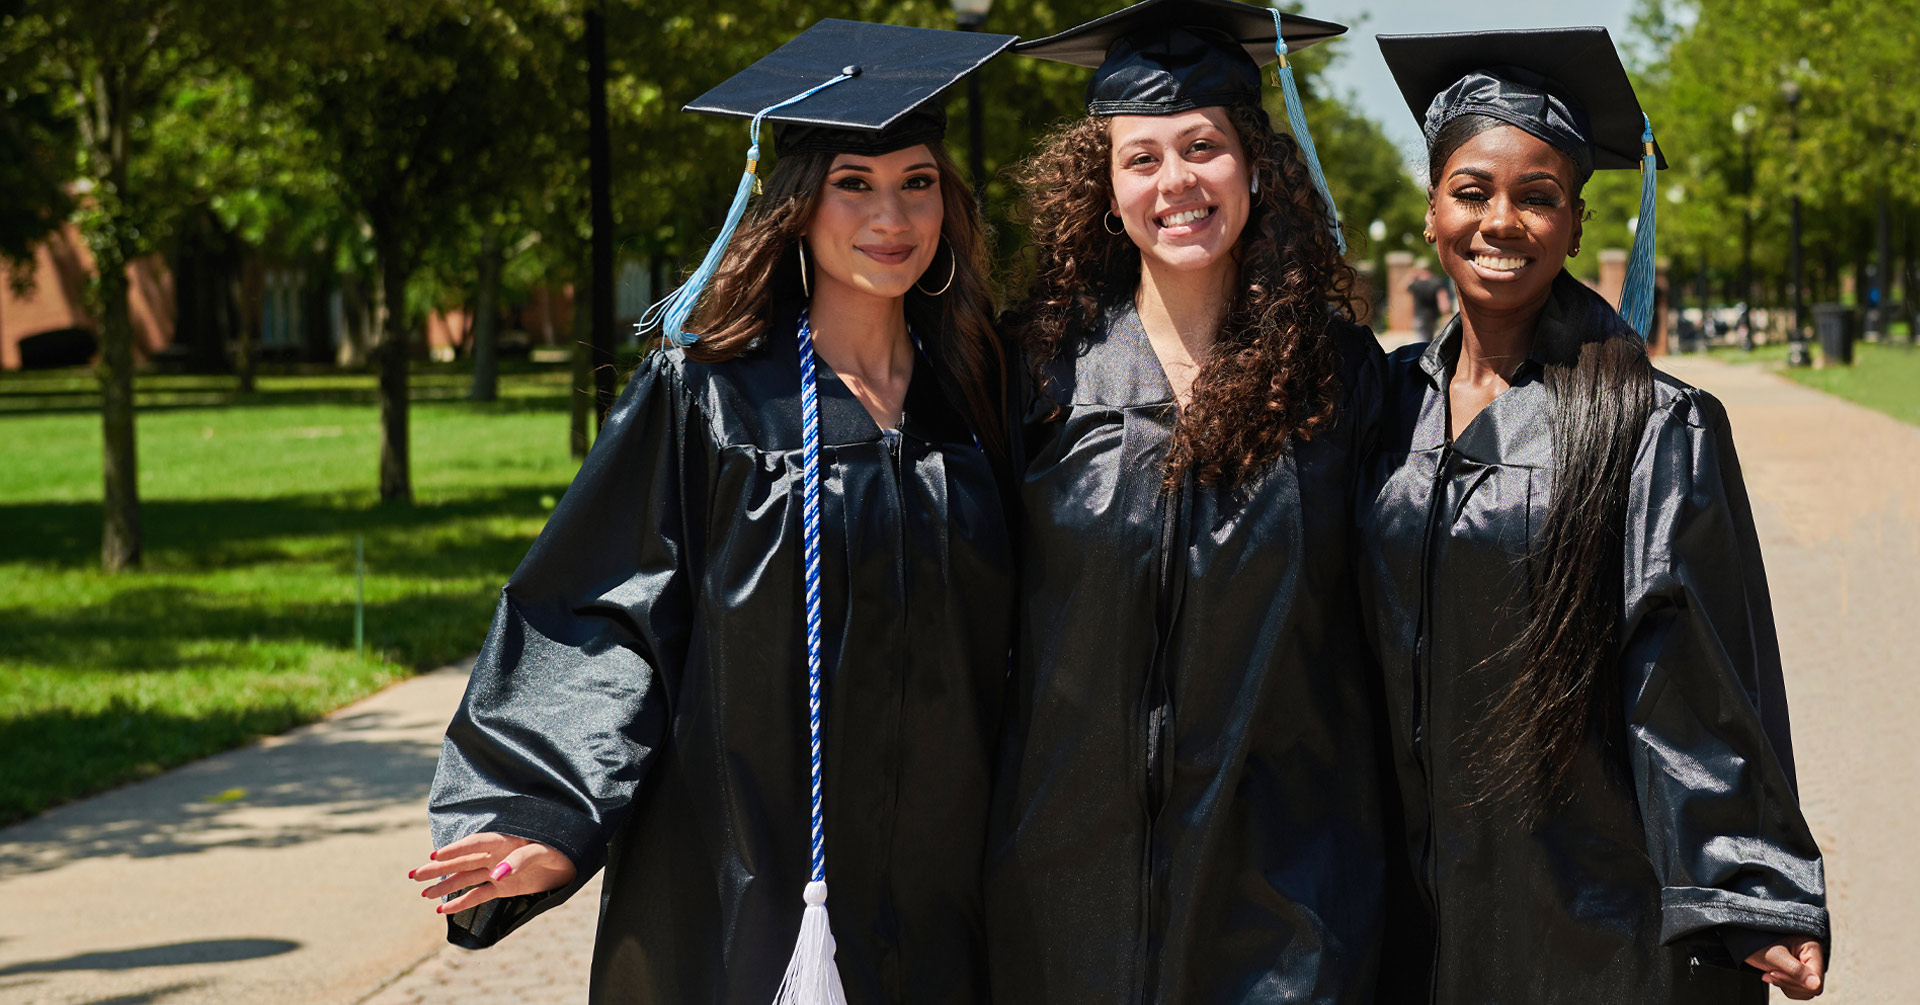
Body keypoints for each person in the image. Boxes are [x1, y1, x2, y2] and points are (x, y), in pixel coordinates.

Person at [407, 20, 1020, 1004]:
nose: (892, 215)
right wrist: (550, 815)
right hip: (752, 872)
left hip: (953, 892)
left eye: (918, 181)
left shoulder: (985, 394)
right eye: (852, 184)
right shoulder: (710, 399)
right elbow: (604, 609)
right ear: (797, 205)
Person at [1358, 27, 1829, 1003]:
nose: (1502, 220)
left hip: (1584, 886)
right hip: (1407, 882)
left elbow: (1690, 669)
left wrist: (1748, 882)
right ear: (1433, 207)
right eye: (1472, 191)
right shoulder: (1379, 401)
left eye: (1538, 197)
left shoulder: (1655, 424)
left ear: (1576, 225)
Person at [985, 1, 1401, 1001]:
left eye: (1204, 147)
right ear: (1104, 190)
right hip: (1072, 880)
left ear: (1256, 166)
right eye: (1142, 158)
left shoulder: (1342, 380)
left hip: (1292, 889)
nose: (1176, 182)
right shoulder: (1035, 372)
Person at [1404, 257, 1452, 338]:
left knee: (1422, 342)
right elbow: (1443, 299)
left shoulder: (1416, 283)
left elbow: (1403, 288)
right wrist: (1446, 314)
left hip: (1419, 317)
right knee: (1429, 341)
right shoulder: (1436, 281)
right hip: (1432, 317)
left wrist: (1411, 274)